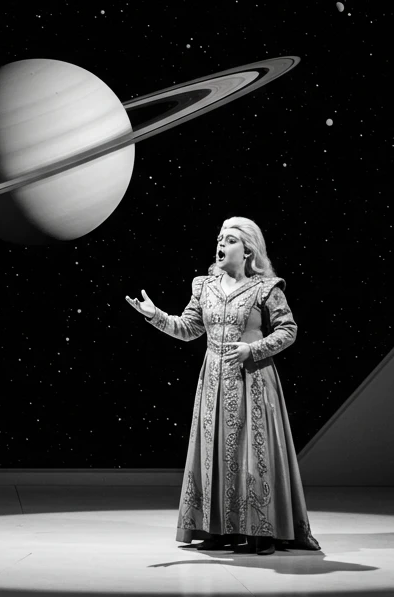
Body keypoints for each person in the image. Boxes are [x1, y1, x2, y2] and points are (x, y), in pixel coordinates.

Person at [126, 216, 320, 556]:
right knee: (213, 454)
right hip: (214, 382)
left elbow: (288, 331)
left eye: (229, 239)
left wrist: (252, 349)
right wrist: (154, 313)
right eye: (219, 237)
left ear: (247, 250)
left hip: (254, 381)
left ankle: (260, 530)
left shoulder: (266, 288)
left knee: (251, 455)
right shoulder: (203, 286)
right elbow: (188, 328)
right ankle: (217, 529)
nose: (221, 244)